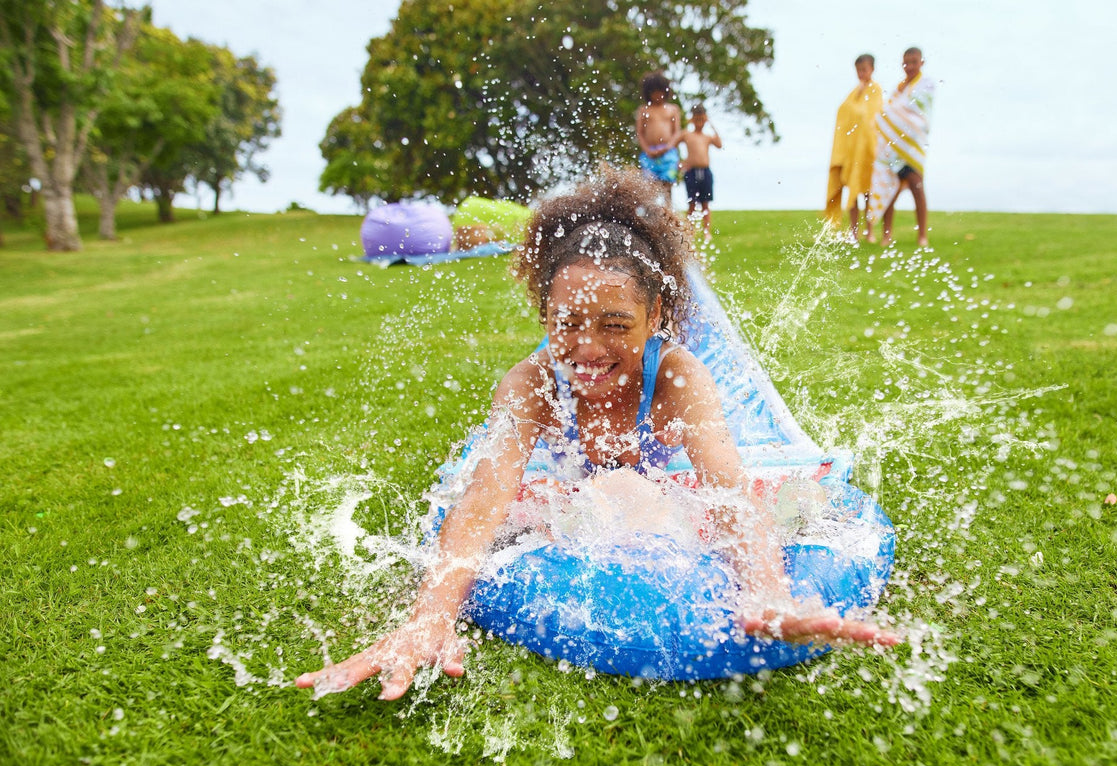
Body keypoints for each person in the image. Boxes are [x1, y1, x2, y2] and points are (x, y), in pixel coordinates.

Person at [295, 167, 900, 701]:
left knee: (768, 503)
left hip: (656, 472)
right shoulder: (532, 384)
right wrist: (431, 614)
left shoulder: (677, 378)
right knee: (557, 497)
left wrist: (768, 592)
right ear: (544, 314)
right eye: (567, 323)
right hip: (565, 478)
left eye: (615, 325)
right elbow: (485, 496)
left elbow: (728, 490)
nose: (587, 349)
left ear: (655, 316)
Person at [868, 47, 938, 247]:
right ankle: (886, 235)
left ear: (921, 62)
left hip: (912, 147)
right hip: (893, 150)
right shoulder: (898, 88)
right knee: (890, 191)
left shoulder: (926, 84)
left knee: (917, 187)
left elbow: (917, 113)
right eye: (906, 62)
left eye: (914, 62)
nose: (910, 66)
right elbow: (888, 111)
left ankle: (922, 236)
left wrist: (895, 115)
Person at [824, 54, 883, 242]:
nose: (861, 74)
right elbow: (844, 112)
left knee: (867, 192)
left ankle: (870, 231)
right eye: (858, 70)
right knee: (853, 193)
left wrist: (855, 113)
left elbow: (871, 115)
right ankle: (854, 232)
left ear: (872, 69)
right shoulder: (854, 92)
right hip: (852, 151)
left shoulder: (875, 89)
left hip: (867, 149)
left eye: (864, 70)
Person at [676, 103, 723, 240]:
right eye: (697, 120)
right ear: (692, 119)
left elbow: (719, 144)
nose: (699, 123)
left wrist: (711, 124)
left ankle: (707, 231)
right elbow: (673, 144)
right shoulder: (687, 134)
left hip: (705, 171)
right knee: (691, 203)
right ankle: (689, 231)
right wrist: (680, 162)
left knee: (705, 203)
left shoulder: (707, 137)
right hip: (691, 171)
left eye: (702, 120)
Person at [635, 71, 682, 203]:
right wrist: (647, 150)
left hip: (668, 153)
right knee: (649, 186)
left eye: (660, 92)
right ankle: (651, 213)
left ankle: (668, 212)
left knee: (667, 186)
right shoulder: (644, 110)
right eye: (654, 92)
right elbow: (640, 133)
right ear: (648, 93)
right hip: (649, 153)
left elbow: (676, 132)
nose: (658, 95)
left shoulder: (672, 109)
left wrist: (667, 147)